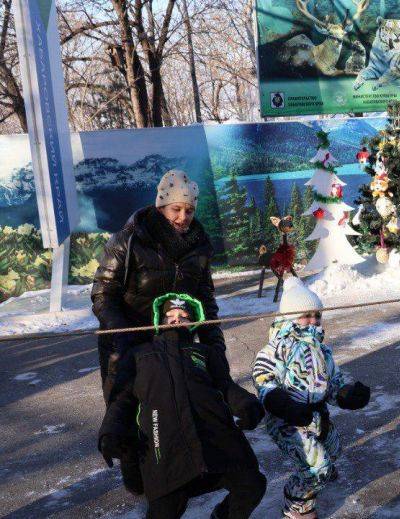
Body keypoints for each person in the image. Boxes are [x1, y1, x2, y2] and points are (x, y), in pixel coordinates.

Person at [91, 169, 226, 494]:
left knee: (182, 404)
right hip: (130, 341)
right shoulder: (131, 238)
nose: (183, 217)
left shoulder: (199, 244)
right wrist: (123, 334)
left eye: (189, 210)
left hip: (177, 341)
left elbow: (205, 298)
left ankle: (185, 472)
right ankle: (139, 478)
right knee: (133, 410)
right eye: (176, 209)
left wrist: (213, 342)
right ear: (162, 206)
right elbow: (102, 293)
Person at [98, 293, 266, 519]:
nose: (176, 320)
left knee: (252, 485)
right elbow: (122, 400)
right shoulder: (140, 356)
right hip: (166, 450)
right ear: (159, 320)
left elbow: (225, 386)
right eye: (170, 315)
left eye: (184, 316)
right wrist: (110, 433)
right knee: (163, 512)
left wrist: (246, 404)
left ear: (194, 322)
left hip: (214, 442)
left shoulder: (204, 353)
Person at [253, 276, 371, 519]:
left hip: (317, 416)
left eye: (317, 315)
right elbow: (264, 380)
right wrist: (283, 405)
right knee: (316, 469)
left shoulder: (321, 349)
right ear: (288, 317)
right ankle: (297, 505)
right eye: (306, 315)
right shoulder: (274, 350)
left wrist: (347, 395)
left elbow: (332, 382)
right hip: (286, 420)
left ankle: (323, 467)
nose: (313, 321)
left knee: (335, 451)